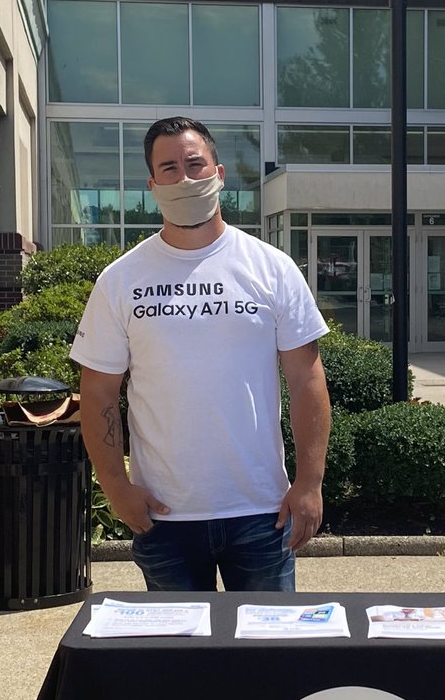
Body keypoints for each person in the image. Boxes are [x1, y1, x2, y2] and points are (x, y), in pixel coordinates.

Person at [70, 116, 331, 592]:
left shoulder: (272, 268)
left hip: (261, 511)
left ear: (219, 173)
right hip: (164, 514)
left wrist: (309, 482)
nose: (184, 177)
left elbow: (307, 380)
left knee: (271, 660)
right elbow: (99, 391)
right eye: (169, 168)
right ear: (152, 184)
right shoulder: (121, 280)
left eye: (195, 163)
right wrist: (115, 488)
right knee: (177, 664)